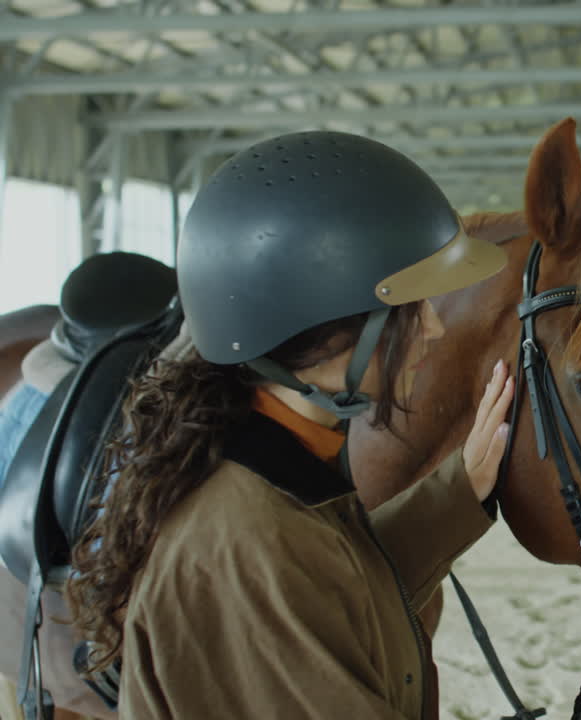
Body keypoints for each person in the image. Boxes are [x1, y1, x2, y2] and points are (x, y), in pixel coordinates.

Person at [66, 130, 514, 719]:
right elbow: (292, 582)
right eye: (410, 308)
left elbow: (337, 590)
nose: (432, 328)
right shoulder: (246, 543)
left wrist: (460, 491)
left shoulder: (279, 465)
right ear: (323, 323)